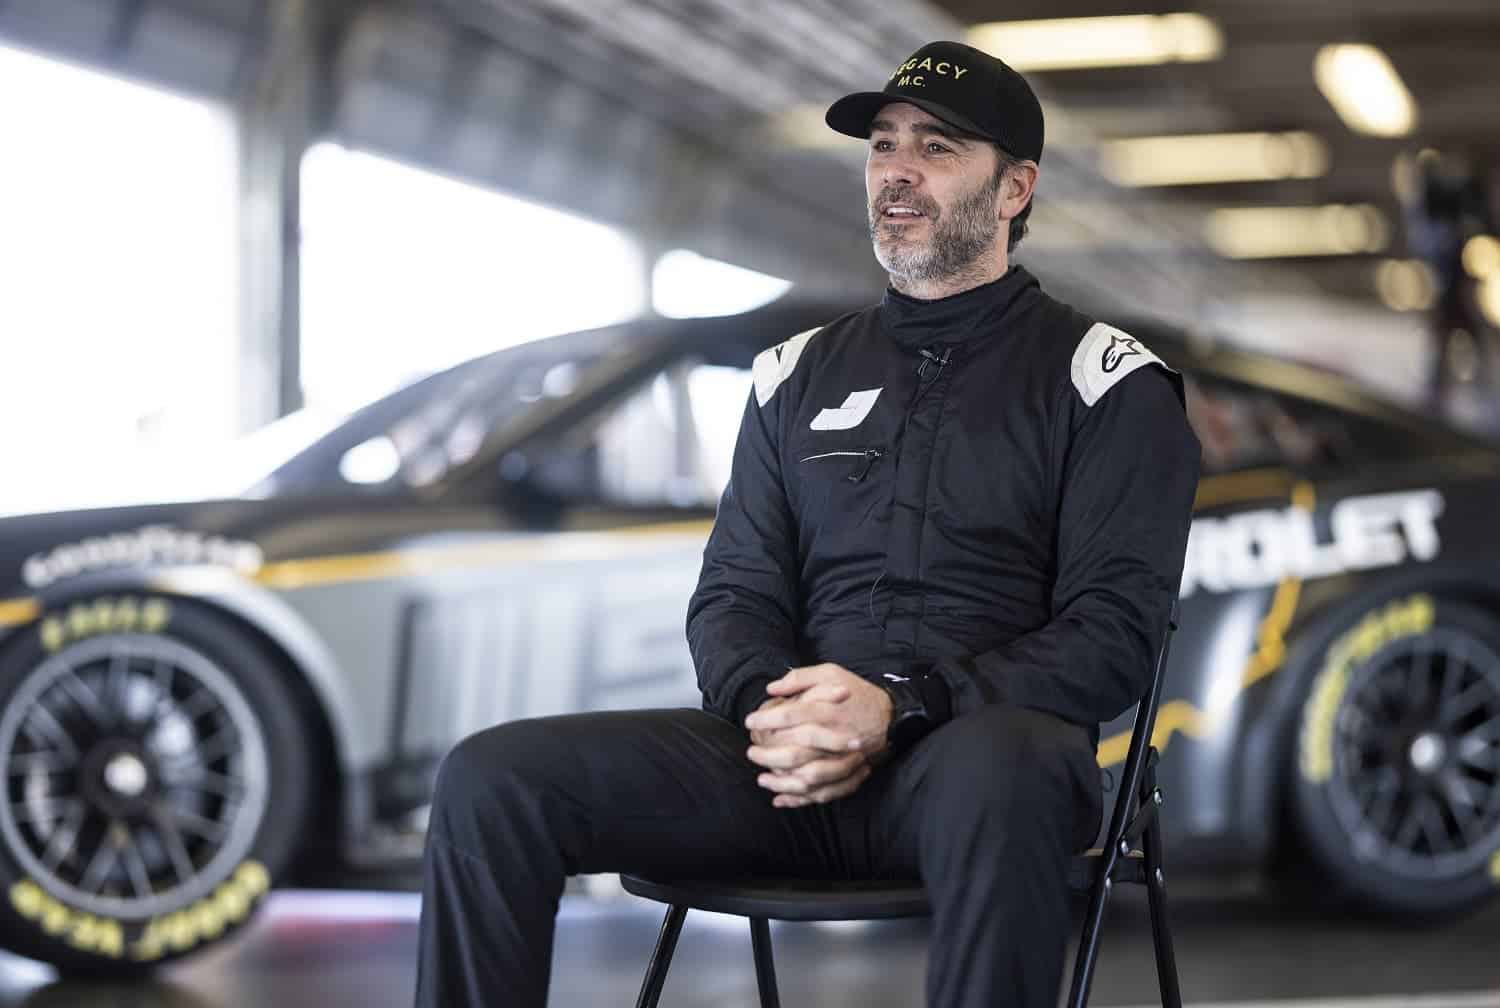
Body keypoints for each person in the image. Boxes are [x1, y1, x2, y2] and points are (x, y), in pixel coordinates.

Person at [415, 40, 1201, 1008]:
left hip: (972, 768)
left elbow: (1112, 639)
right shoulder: (794, 375)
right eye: (882, 146)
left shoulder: (1105, 381)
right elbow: (735, 595)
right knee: (492, 780)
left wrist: (902, 705)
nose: (897, 173)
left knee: (1011, 767)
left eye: (938, 148)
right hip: (786, 765)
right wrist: (779, 715)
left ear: (1015, 189)